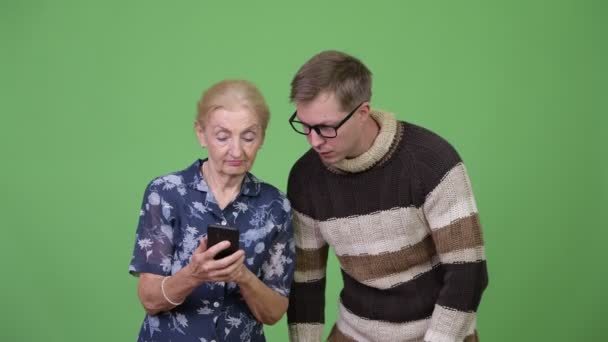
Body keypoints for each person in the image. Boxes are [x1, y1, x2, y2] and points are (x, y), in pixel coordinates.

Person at [285, 51, 488, 342]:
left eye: (326, 128)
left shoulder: (432, 162)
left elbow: (469, 272)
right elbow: (306, 281)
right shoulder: (306, 178)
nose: (314, 141)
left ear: (363, 112)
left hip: (438, 334)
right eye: (305, 126)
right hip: (355, 331)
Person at [128, 80, 295, 342]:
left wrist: (243, 276)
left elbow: (273, 313)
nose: (236, 150)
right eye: (222, 136)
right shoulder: (166, 193)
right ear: (201, 134)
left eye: (248, 137)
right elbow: (150, 300)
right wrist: (194, 274)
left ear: (262, 137)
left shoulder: (275, 205)